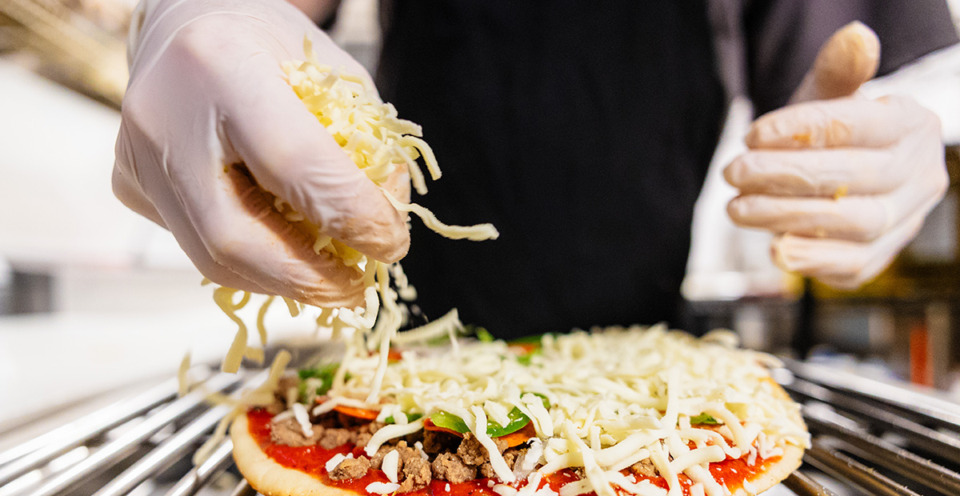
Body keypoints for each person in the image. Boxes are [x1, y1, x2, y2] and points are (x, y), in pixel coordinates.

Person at [112, 0, 957, 338]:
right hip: (407, 356)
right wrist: (195, 9)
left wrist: (891, 135)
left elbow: (881, 63)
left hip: (649, 369)